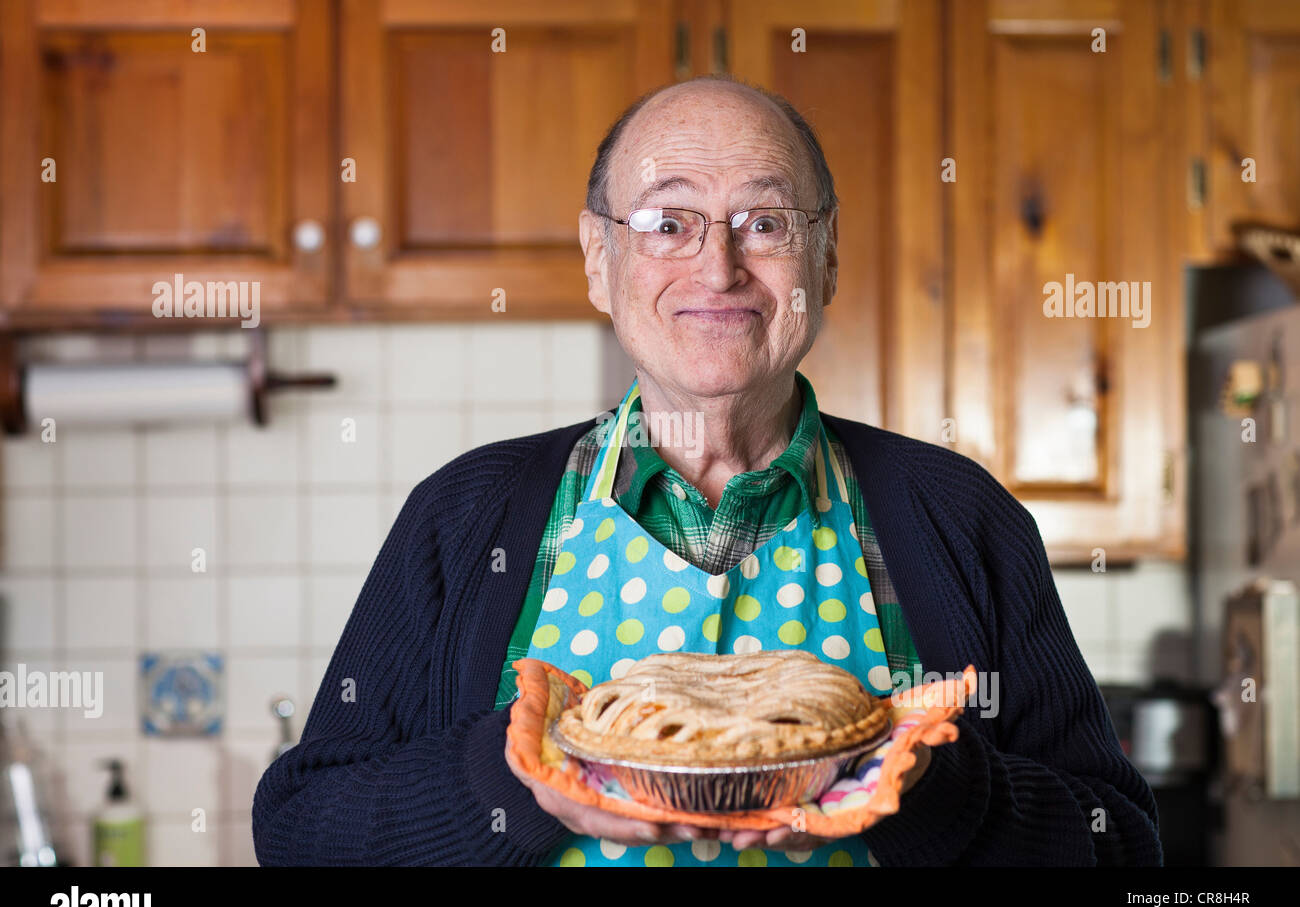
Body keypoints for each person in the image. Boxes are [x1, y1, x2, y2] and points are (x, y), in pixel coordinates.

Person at [252, 75, 1162, 867]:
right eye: (666, 223)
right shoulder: (467, 516)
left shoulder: (959, 517)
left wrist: (926, 790)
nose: (717, 267)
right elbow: (298, 830)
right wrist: (520, 775)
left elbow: (1119, 847)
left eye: (763, 222)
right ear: (600, 260)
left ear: (827, 255)